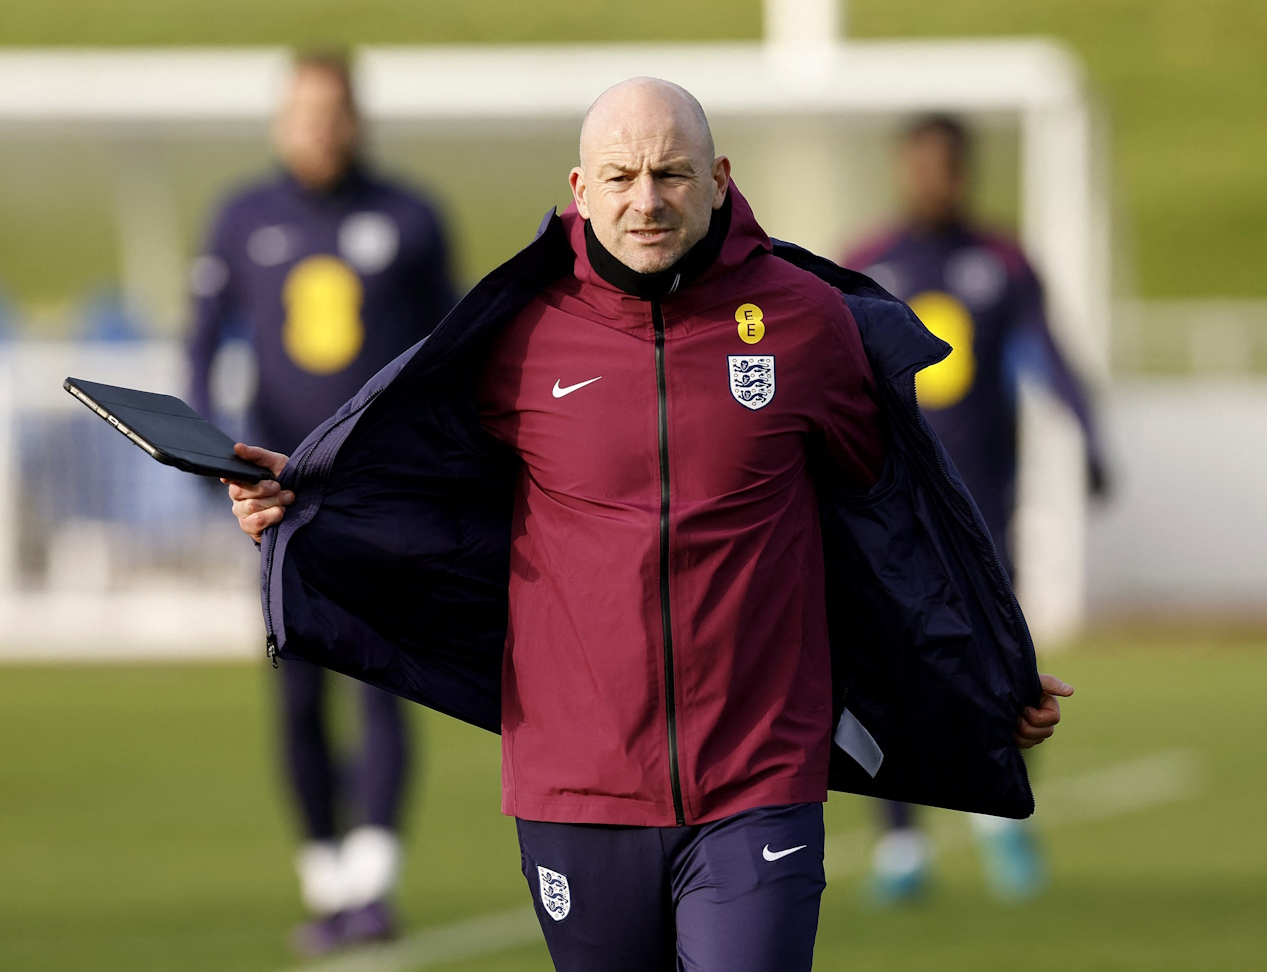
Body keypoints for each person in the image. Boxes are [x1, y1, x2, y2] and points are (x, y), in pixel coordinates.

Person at [224, 79, 1071, 972]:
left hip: (759, 778)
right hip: (575, 786)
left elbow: (893, 527)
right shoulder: (518, 335)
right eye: (621, 175)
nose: (646, 199)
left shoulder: (807, 324)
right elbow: (426, 491)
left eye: (671, 173)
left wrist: (985, 671)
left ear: (718, 179)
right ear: (580, 189)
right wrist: (308, 499)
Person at [185, 51, 456, 954]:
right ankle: (327, 875)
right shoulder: (242, 218)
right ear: (280, 122)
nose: (319, 128)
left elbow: (450, 353)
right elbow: (199, 348)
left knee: (380, 677)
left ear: (357, 118)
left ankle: (374, 883)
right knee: (298, 691)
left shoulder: (411, 218)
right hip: (275, 497)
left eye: (333, 111)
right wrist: (204, 453)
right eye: (303, 112)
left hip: (381, 495)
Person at [844, 114, 1106, 904]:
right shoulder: (864, 263)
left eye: (945, 166)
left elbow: (1045, 355)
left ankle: (1004, 818)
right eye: (918, 164)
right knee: (885, 663)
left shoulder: (1003, 262)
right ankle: (900, 848)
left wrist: (1089, 435)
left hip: (982, 509)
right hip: (889, 509)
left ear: (965, 172)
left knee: (1005, 667)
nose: (932, 179)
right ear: (901, 169)